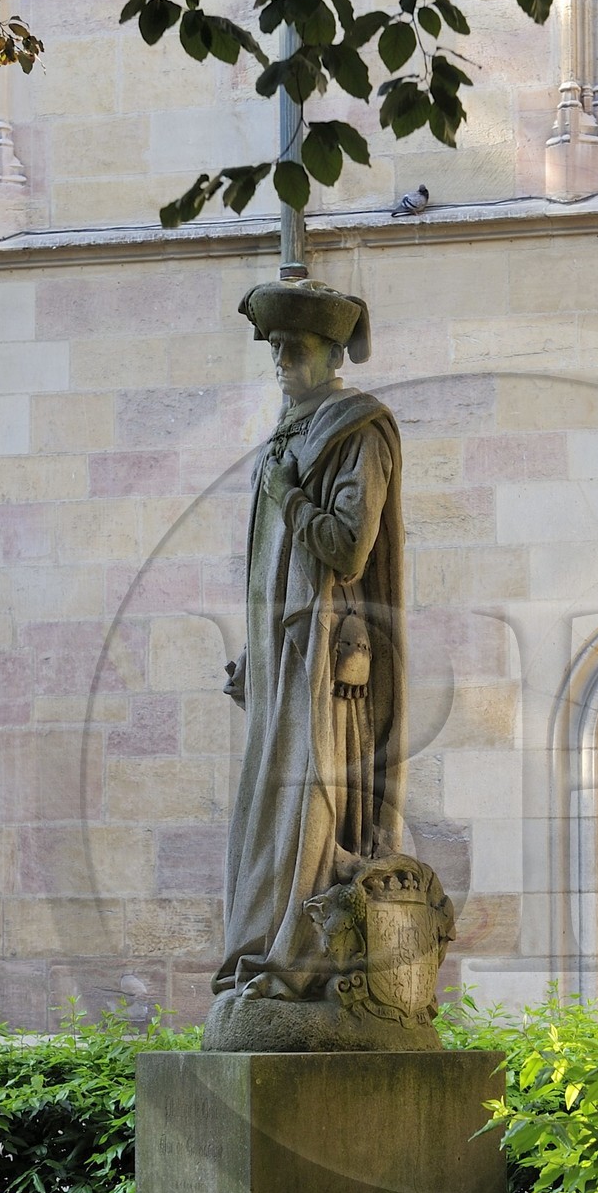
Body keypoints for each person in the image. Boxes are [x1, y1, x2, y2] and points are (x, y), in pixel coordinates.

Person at [211, 277, 407, 1011]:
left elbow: (348, 550)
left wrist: (291, 492)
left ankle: (302, 957)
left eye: (296, 347)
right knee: (267, 809)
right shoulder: (288, 433)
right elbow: (276, 570)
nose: (282, 359)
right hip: (284, 664)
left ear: (331, 353)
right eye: (276, 348)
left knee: (311, 803)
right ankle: (263, 949)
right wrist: (256, 656)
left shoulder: (358, 430)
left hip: (327, 666)